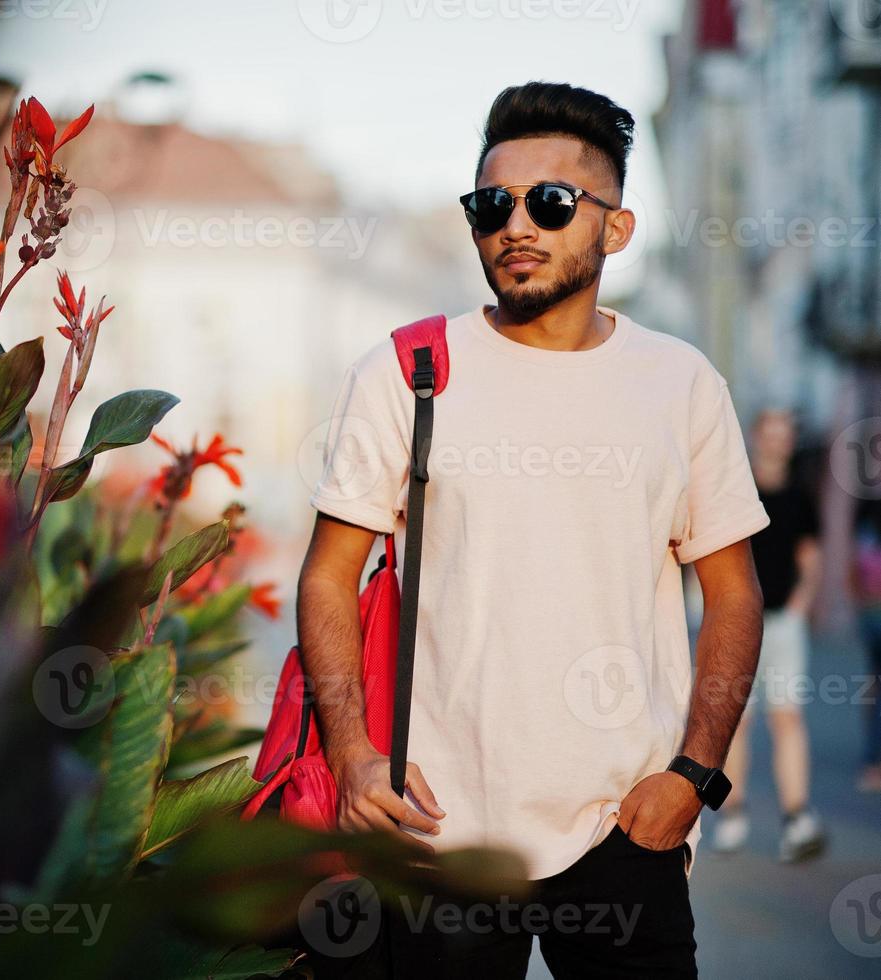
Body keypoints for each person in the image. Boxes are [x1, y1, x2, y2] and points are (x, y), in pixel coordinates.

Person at [300, 81, 768, 978]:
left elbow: (733, 593)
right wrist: (355, 758)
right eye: (490, 205)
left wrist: (692, 778)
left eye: (550, 203)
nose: (516, 226)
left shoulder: (680, 384)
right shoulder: (409, 370)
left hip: (625, 825)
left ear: (614, 228)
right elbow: (328, 575)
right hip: (437, 832)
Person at [707, 408, 826, 860]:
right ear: (755, 438)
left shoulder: (800, 496)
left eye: (784, 435)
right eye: (769, 434)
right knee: (736, 720)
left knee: (787, 717)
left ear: (790, 442)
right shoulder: (736, 491)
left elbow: (810, 560)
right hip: (737, 624)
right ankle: (733, 813)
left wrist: (799, 606)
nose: (776, 443)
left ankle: (797, 817)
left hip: (782, 624)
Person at [854, 496, 881, 792]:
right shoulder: (867, 510)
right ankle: (873, 761)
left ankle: (872, 762)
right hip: (873, 616)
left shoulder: (866, 512)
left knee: (874, 690)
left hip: (870, 614)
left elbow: (854, 567)